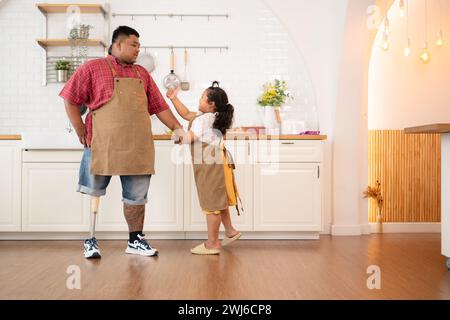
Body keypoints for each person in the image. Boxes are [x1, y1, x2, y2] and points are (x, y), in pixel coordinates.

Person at [59, 26, 183, 259]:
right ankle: (91, 240)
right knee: (93, 191)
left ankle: (135, 240)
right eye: (134, 44)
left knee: (137, 197)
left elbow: (159, 107)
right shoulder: (92, 68)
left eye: (139, 45)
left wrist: (177, 128)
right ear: (117, 44)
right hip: (101, 143)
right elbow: (70, 98)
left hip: (136, 144)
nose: (138, 49)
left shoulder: (142, 74)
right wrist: (79, 128)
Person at [166, 81, 242, 255]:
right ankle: (230, 231)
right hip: (218, 163)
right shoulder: (211, 117)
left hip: (210, 166)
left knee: (211, 204)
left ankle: (212, 244)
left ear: (211, 104)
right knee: (218, 200)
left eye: (202, 97)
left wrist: (176, 136)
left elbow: (188, 138)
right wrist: (173, 99)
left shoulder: (203, 120)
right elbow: (185, 114)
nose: (199, 99)